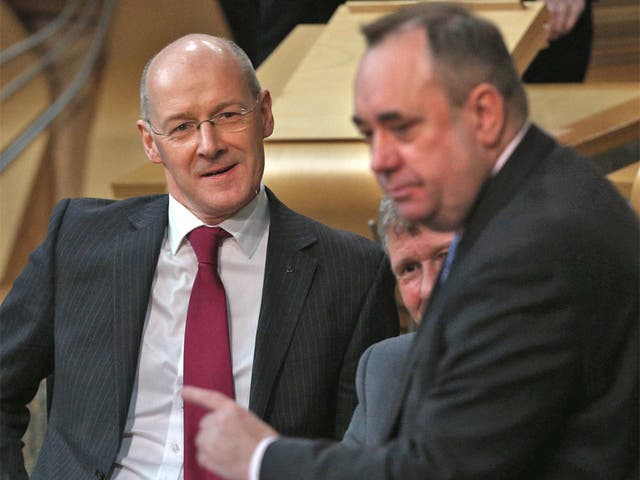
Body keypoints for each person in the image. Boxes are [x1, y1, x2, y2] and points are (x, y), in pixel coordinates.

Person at [181, 4, 639, 479]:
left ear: (484, 112)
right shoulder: (552, 185)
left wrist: (261, 457)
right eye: (368, 133)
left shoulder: (529, 249)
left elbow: (439, 471)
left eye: (401, 128)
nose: (379, 161)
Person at [0, 34, 399, 479]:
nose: (209, 144)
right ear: (151, 143)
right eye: (182, 127)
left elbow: (360, 457)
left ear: (264, 114)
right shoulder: (78, 239)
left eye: (227, 115)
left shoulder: (351, 273)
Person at [341, 196, 455, 447]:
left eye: (445, 257)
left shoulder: (551, 358)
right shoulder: (385, 366)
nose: (428, 289)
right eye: (410, 269)